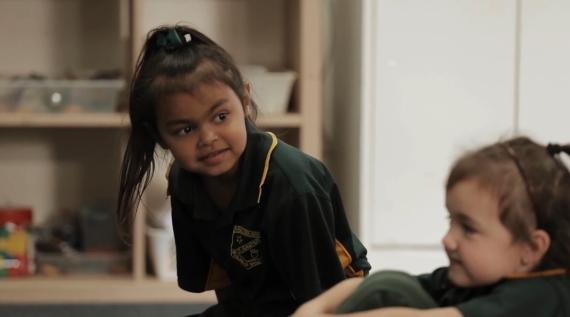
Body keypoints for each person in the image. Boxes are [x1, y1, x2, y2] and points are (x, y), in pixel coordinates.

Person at [115, 25, 370, 317]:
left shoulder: (293, 187)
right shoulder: (184, 181)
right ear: (159, 136)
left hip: (328, 306)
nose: (208, 138)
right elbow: (224, 286)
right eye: (186, 129)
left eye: (221, 117)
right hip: (256, 304)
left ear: (245, 100)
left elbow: (323, 303)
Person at [291, 136, 570, 317]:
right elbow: (389, 283)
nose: (448, 240)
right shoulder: (470, 279)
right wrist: (314, 308)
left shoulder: (545, 296)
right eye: (452, 221)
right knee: (390, 285)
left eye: (468, 229)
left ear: (531, 249)